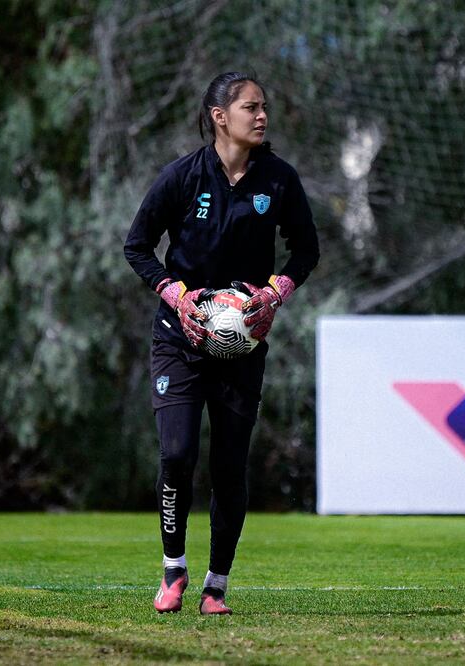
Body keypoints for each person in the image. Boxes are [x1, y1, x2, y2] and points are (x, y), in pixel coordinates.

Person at [123, 72, 319, 615]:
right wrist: (175, 293)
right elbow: (137, 247)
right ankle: (173, 570)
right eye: (251, 107)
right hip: (179, 340)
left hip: (242, 348)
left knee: (230, 465)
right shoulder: (183, 177)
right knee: (178, 453)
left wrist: (278, 290)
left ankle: (216, 586)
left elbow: (306, 250)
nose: (262, 116)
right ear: (219, 116)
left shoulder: (279, 180)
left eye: (265, 108)